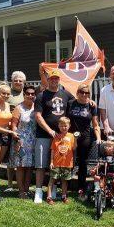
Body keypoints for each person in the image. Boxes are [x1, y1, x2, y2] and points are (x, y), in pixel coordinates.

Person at [34, 69, 74, 203]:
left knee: (59, 164)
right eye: (51, 78)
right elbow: (38, 116)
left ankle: (54, 191)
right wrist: (49, 130)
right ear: (48, 80)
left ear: (59, 80)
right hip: (44, 135)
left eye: (56, 78)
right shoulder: (41, 96)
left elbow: (77, 102)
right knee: (41, 164)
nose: (54, 81)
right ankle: (38, 191)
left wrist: (90, 101)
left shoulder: (66, 94)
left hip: (61, 137)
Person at [67, 84, 102, 199]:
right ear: (77, 93)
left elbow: (95, 124)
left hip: (85, 137)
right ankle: (64, 188)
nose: (84, 94)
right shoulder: (70, 103)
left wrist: (98, 138)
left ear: (89, 94)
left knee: (82, 164)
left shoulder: (91, 106)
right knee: (67, 161)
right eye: (81, 92)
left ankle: (80, 189)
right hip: (70, 136)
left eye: (86, 93)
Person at [9, 85, 36, 199]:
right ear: (24, 95)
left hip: (33, 141)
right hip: (21, 141)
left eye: (32, 94)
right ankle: (21, 191)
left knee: (29, 167)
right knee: (20, 166)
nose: (30, 95)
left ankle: (27, 190)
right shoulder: (18, 108)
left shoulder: (36, 107)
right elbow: (14, 126)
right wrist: (17, 140)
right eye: (28, 93)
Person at [46, 117, 76, 205]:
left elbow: (74, 148)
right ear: (58, 126)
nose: (64, 128)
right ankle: (49, 197)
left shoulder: (72, 136)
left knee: (64, 180)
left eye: (65, 126)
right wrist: (51, 162)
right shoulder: (56, 136)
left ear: (69, 126)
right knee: (52, 180)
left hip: (67, 163)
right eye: (61, 126)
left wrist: (76, 139)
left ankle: (64, 196)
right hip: (56, 163)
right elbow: (52, 150)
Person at [6, 71, 27, 191]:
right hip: (10, 129)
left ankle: (22, 183)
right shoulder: (8, 93)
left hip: (24, 130)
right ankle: (9, 184)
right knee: (11, 157)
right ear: (12, 81)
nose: (18, 82)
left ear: (24, 82)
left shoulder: (26, 93)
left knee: (22, 157)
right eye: (16, 80)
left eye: (20, 80)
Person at [90, 139, 114, 205]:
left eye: (109, 146)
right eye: (106, 146)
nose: (107, 147)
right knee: (96, 177)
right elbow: (98, 165)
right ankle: (97, 191)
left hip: (112, 174)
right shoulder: (103, 157)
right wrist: (94, 170)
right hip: (103, 173)